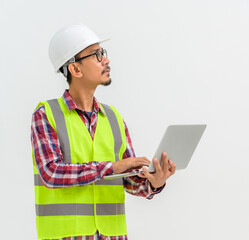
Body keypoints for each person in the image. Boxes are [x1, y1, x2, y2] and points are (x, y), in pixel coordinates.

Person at [31, 23, 176, 240]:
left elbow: (127, 178)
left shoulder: (114, 118)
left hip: (112, 235)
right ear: (75, 69)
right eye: (96, 55)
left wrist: (154, 182)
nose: (106, 60)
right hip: (66, 236)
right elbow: (51, 173)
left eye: (103, 53)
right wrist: (111, 167)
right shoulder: (46, 114)